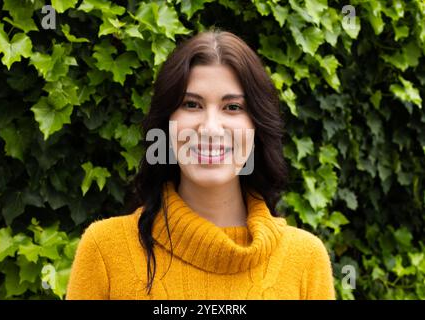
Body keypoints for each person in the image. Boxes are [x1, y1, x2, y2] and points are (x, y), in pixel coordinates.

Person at [66, 28, 336, 300]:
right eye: (191, 104)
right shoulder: (105, 250)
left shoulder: (305, 260)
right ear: (167, 123)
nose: (210, 128)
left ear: (256, 127)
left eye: (232, 108)